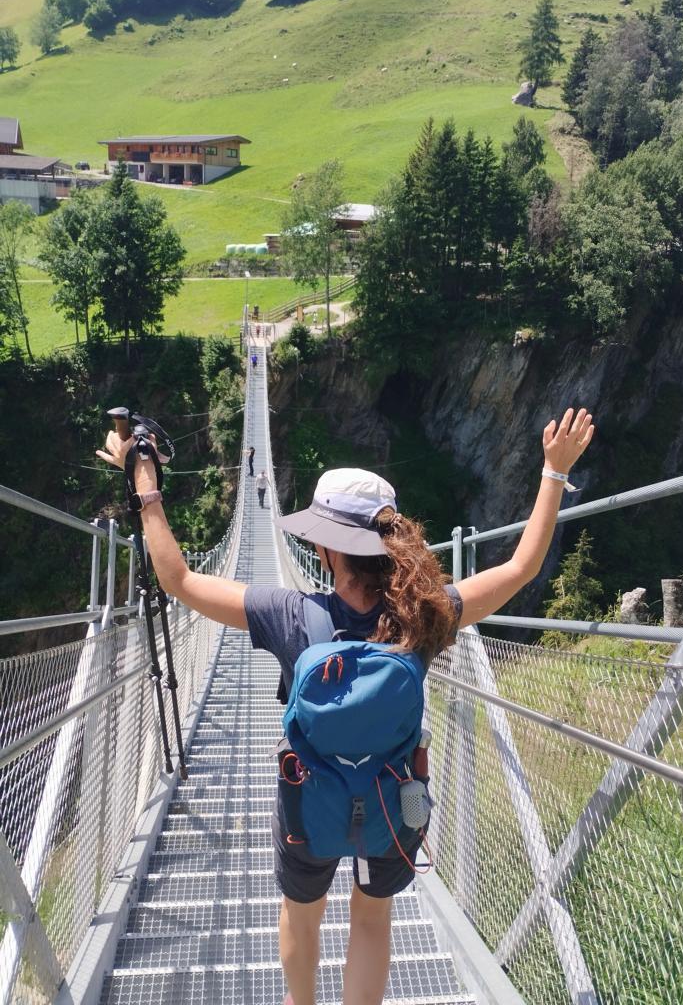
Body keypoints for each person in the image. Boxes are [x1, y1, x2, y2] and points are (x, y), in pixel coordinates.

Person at [96, 407, 593, 1005]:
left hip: (309, 805)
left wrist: (144, 482)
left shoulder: (291, 615)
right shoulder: (425, 614)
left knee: (303, 915)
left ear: (326, 549)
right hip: (391, 804)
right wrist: (553, 471)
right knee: (372, 918)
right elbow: (521, 566)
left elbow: (177, 578)